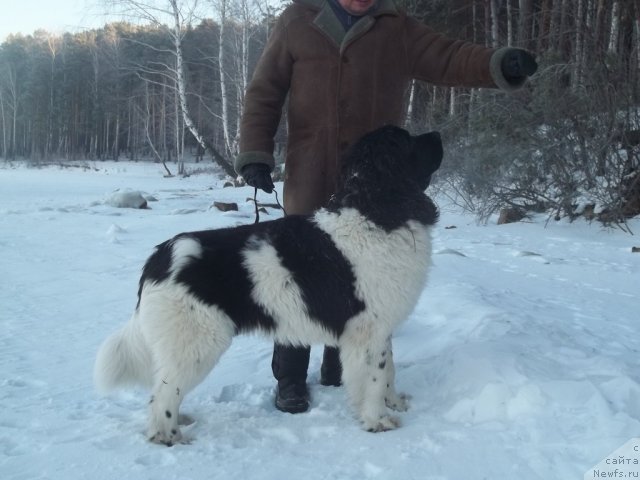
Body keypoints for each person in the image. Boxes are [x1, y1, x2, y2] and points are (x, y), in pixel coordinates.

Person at [235, 0, 538, 414]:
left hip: (374, 181)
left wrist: (498, 64)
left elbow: (447, 57)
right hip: (311, 171)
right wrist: (255, 153)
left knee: (366, 278)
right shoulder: (296, 20)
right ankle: (289, 378)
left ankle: (340, 366)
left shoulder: (396, 27)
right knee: (299, 278)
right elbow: (264, 91)